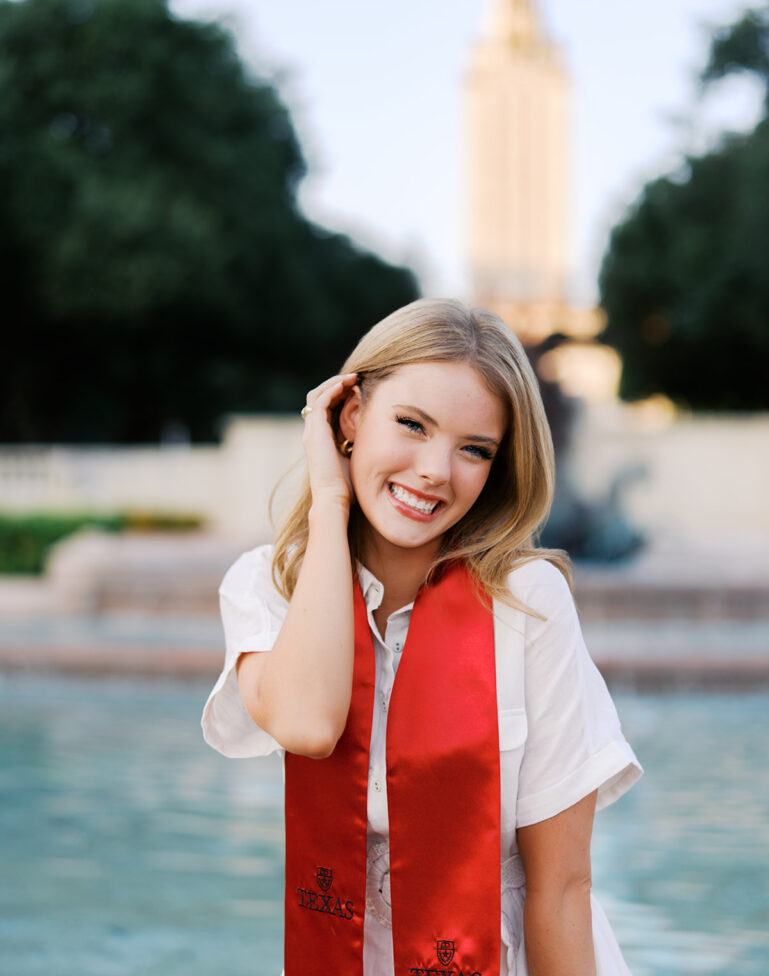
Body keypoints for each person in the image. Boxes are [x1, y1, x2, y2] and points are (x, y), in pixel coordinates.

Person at [202, 298, 642, 976]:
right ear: (349, 420)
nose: (436, 470)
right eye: (411, 424)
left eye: (473, 449)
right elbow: (309, 723)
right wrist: (328, 498)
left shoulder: (527, 603)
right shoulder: (268, 586)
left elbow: (561, 889)